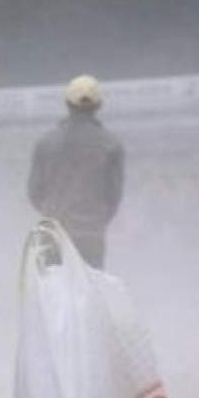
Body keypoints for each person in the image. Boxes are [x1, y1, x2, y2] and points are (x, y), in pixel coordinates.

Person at [27, 74, 125, 269]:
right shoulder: (111, 145)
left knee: (52, 291)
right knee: (89, 292)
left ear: (67, 104)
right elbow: (113, 196)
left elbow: (34, 192)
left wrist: (51, 212)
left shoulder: (46, 143)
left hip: (53, 233)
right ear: (98, 105)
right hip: (90, 234)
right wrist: (95, 220)